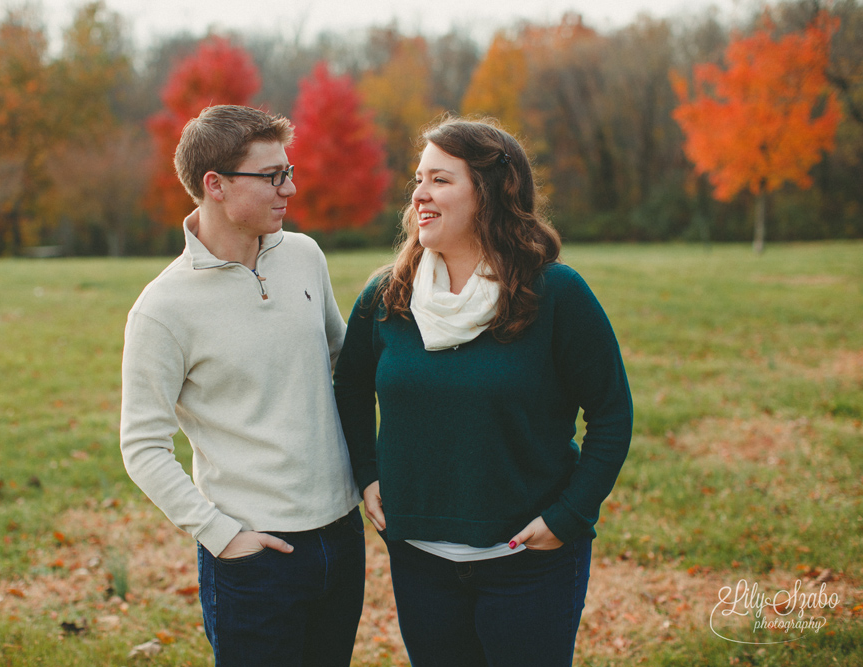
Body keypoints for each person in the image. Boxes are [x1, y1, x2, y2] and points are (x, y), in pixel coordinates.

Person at [333, 117, 633, 667]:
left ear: (491, 192)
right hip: (418, 557)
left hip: (528, 561)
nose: (419, 194)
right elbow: (349, 388)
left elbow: (611, 412)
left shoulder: (554, 293)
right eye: (418, 179)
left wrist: (568, 516)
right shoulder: (388, 296)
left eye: (441, 180)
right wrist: (366, 471)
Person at [119, 104, 364, 667]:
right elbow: (143, 447)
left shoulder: (304, 256)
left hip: (340, 536)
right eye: (273, 176)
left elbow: (345, 366)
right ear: (216, 185)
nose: (291, 188)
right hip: (254, 556)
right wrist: (222, 536)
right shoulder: (162, 309)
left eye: (290, 171)